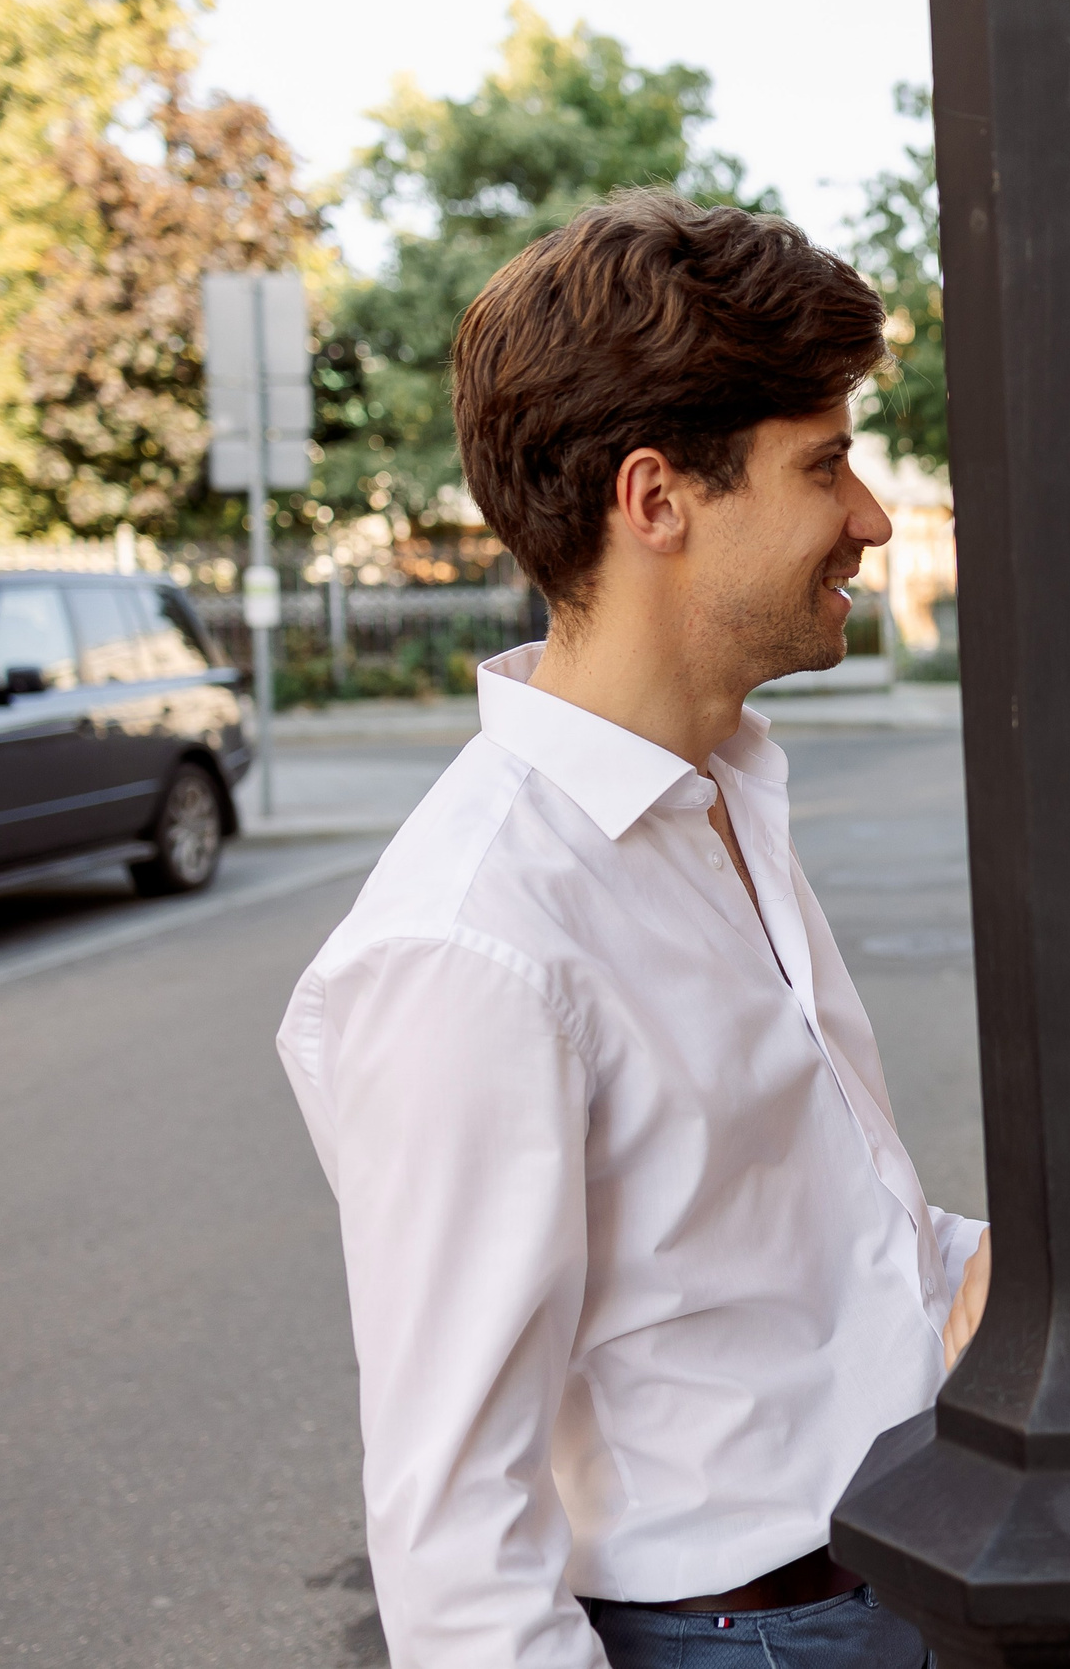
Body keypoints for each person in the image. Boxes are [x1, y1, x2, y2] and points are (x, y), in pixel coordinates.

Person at [277, 191, 990, 1669]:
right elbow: (457, 1539)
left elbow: (778, 1256)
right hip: (734, 1638)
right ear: (657, 499)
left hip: (888, 1579)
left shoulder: (719, 790)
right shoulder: (472, 942)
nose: (870, 519)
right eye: (828, 465)